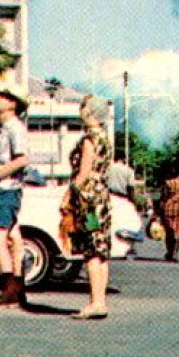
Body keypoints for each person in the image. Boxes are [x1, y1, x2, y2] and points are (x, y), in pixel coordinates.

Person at [0, 87, 33, 308]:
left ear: (13, 104)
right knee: (14, 238)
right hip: (4, 190)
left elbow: (22, 159)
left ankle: (9, 287)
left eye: (2, 97)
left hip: (5, 189)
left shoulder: (14, 129)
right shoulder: (4, 130)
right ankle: (18, 286)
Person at [65, 96, 113, 319]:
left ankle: (95, 303)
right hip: (101, 198)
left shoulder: (89, 139)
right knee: (101, 248)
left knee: (91, 249)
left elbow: (83, 173)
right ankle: (100, 301)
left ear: (90, 112)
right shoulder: (105, 137)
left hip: (88, 201)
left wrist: (68, 195)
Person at [159, 166, 179, 262]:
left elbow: (163, 198)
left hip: (169, 208)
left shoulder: (168, 183)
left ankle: (169, 252)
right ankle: (175, 254)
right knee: (178, 232)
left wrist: (157, 212)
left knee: (169, 232)